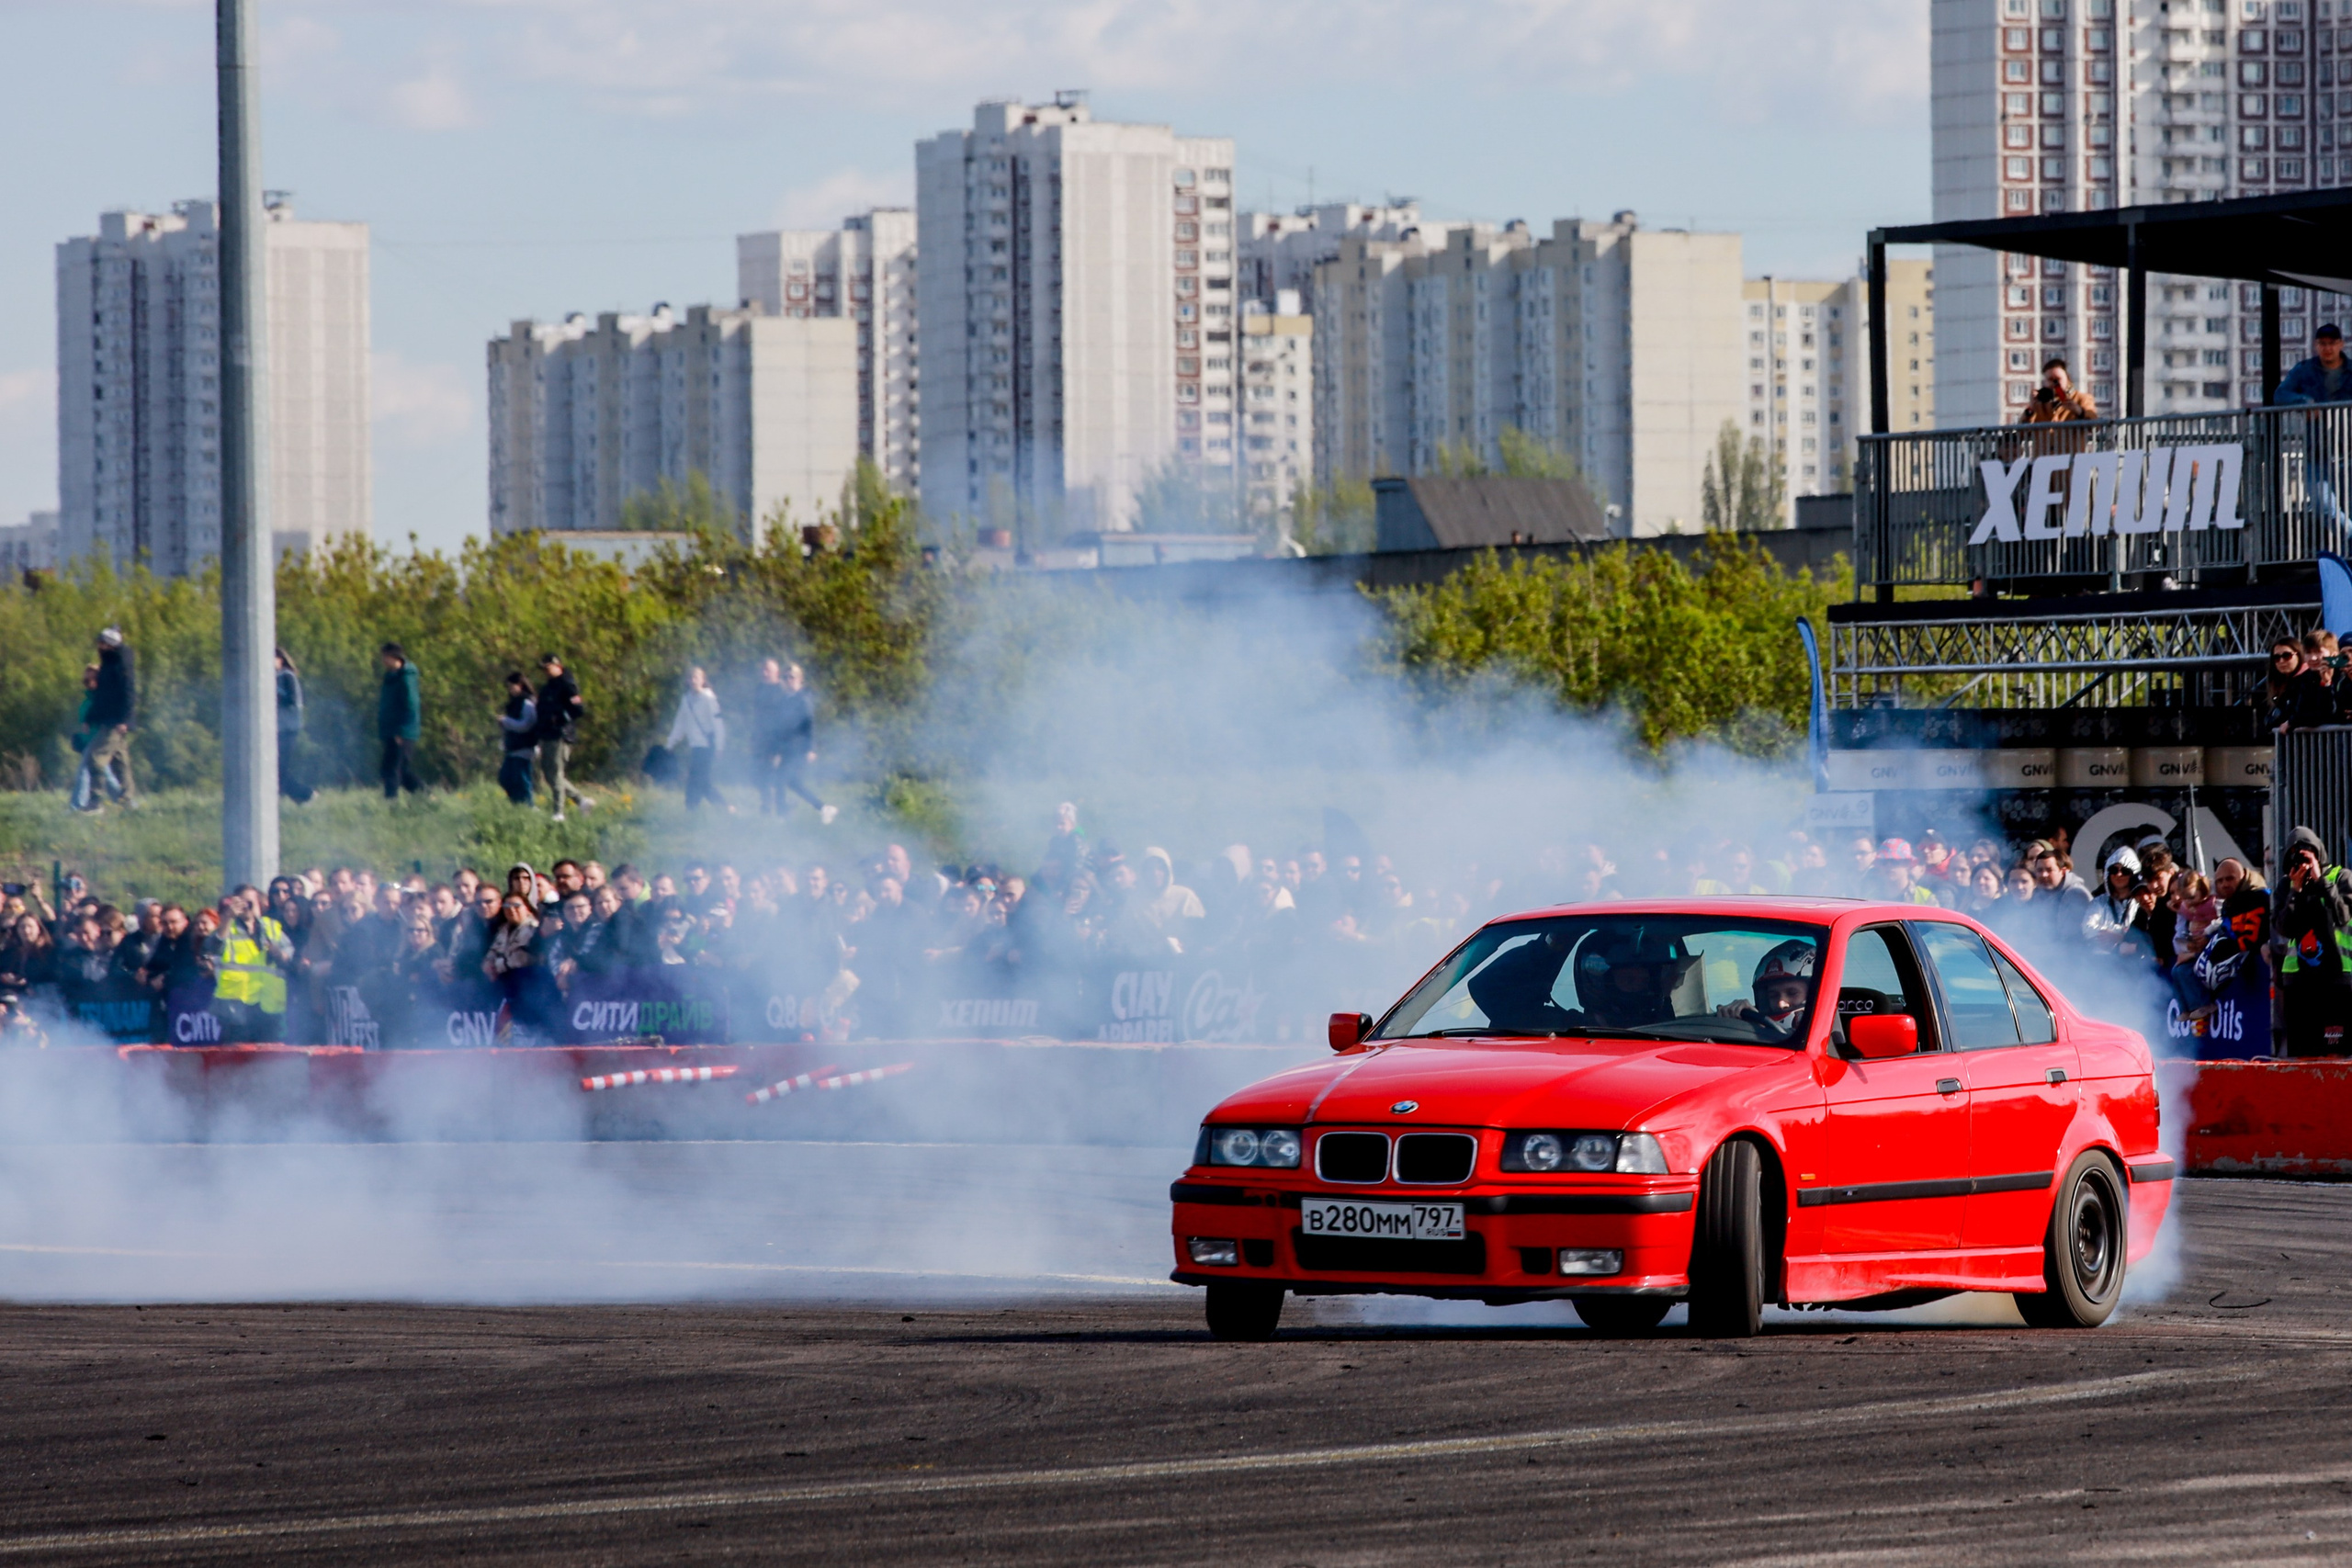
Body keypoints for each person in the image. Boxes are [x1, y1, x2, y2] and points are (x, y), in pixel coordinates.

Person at [2276, 827, 2352, 1056]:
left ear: (2318, 852)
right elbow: (2283, 927)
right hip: (2298, 979)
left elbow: (2343, 915)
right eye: (2296, 854)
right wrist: (2295, 891)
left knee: (2336, 1052)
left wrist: (2321, 880)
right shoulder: (2286, 885)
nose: (2302, 859)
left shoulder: (2341, 876)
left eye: (2307, 852)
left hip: (2338, 976)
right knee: (2304, 1053)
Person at [752, 659, 836, 822]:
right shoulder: (785, 699)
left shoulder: (803, 699)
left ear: (800, 679)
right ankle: (824, 808)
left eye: (792, 677)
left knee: (781, 779)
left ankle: (783, 816)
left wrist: (811, 749)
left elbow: (810, 725)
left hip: (799, 748)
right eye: (786, 677)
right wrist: (774, 751)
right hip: (787, 748)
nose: (788, 680)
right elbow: (781, 728)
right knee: (792, 782)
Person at [74, 626, 137, 814]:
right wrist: (90, 718)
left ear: (110, 645)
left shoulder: (121, 665)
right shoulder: (108, 665)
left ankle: (95, 802)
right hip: (109, 720)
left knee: (95, 758)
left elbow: (129, 694)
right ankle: (128, 802)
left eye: (102, 643)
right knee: (120, 762)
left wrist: (124, 720)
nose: (99, 647)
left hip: (116, 722)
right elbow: (102, 696)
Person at [1713, 938, 1817, 1043]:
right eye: (1773, 995)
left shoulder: (1830, 1038)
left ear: (1814, 993)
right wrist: (1744, 1026)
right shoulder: (1757, 1027)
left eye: (1792, 993)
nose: (1781, 1003)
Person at [533, 654, 593, 821]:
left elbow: (578, 709)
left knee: (556, 773)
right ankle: (581, 801)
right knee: (550, 774)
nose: (545, 671)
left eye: (547, 667)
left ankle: (558, 812)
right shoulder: (548, 688)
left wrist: (559, 719)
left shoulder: (567, 685)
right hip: (547, 734)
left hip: (560, 734)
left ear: (557, 665)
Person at [665, 666, 728, 813]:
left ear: (702, 680)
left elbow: (717, 724)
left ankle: (692, 808)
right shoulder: (686, 700)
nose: (693, 681)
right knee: (701, 781)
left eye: (696, 678)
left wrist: (720, 746)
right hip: (695, 746)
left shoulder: (708, 698)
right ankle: (723, 807)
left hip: (707, 746)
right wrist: (670, 743)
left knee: (697, 779)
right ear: (687, 681)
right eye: (690, 678)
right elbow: (680, 724)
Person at [378, 643, 424, 799]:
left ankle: (391, 804)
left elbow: (411, 705)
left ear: (394, 657)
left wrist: (401, 732)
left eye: (385, 656)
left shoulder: (406, 677)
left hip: (402, 732)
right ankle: (427, 796)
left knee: (392, 770)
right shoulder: (391, 676)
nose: (383, 660)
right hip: (391, 730)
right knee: (398, 770)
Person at [492, 672, 538, 807]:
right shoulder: (514, 703)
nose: (510, 690)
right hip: (512, 747)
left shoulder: (527, 702)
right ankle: (518, 804)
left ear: (520, 685)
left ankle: (529, 807)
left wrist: (506, 721)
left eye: (512, 686)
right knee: (505, 778)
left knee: (522, 780)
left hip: (524, 746)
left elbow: (526, 725)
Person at [276, 647, 313, 803]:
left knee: (280, 769)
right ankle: (299, 797)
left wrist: (274, 694)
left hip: (288, 728)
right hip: (279, 728)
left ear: (280, 659)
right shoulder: (275, 677)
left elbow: (292, 700)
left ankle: (307, 794)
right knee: (277, 769)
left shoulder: (287, 676)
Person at [2018, 356, 2098, 423]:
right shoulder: (2039, 404)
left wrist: (2079, 411)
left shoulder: (2082, 399)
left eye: (2057, 379)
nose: (2054, 384)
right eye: (2050, 379)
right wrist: (2030, 409)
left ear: (2067, 378)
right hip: (2045, 442)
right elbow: (2021, 431)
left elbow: (2095, 425)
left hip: (2069, 442)